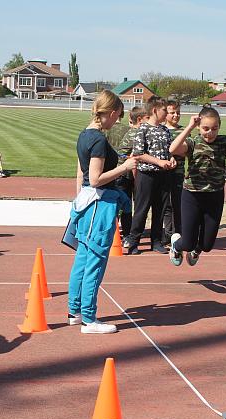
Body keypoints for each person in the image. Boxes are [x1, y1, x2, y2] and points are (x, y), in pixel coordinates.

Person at [67, 89, 137, 334]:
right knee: (94, 262)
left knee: (82, 260)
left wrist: (79, 202)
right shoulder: (97, 139)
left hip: (87, 202)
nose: (117, 121)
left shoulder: (84, 135)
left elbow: (81, 175)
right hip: (99, 204)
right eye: (117, 116)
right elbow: (96, 179)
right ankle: (89, 318)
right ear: (112, 112)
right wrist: (125, 167)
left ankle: (75, 312)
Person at [168, 107, 226, 267]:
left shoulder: (225, 141)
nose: (210, 133)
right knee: (187, 242)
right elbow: (173, 149)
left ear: (219, 127)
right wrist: (189, 127)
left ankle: (196, 251)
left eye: (214, 129)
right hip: (192, 195)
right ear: (199, 126)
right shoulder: (193, 142)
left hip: (214, 196)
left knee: (207, 246)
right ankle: (176, 246)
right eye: (205, 129)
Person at [125, 96, 175, 255]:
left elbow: (170, 150)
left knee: (160, 209)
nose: (167, 113)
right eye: (164, 110)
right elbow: (139, 154)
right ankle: (134, 241)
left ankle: (156, 241)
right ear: (154, 110)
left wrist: (171, 159)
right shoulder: (143, 129)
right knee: (141, 209)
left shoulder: (165, 129)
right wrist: (159, 162)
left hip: (164, 175)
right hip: (146, 175)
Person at [115, 105, 147, 245]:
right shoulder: (136, 134)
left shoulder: (132, 132)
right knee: (125, 205)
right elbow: (136, 157)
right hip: (125, 175)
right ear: (140, 120)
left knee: (125, 205)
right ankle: (126, 234)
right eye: (147, 119)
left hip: (124, 174)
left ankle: (125, 233)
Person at [162, 100, 185, 246]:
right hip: (163, 172)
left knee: (178, 203)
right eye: (172, 113)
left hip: (178, 172)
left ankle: (178, 233)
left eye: (178, 113)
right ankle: (167, 232)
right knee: (165, 204)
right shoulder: (160, 129)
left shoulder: (183, 131)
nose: (176, 115)